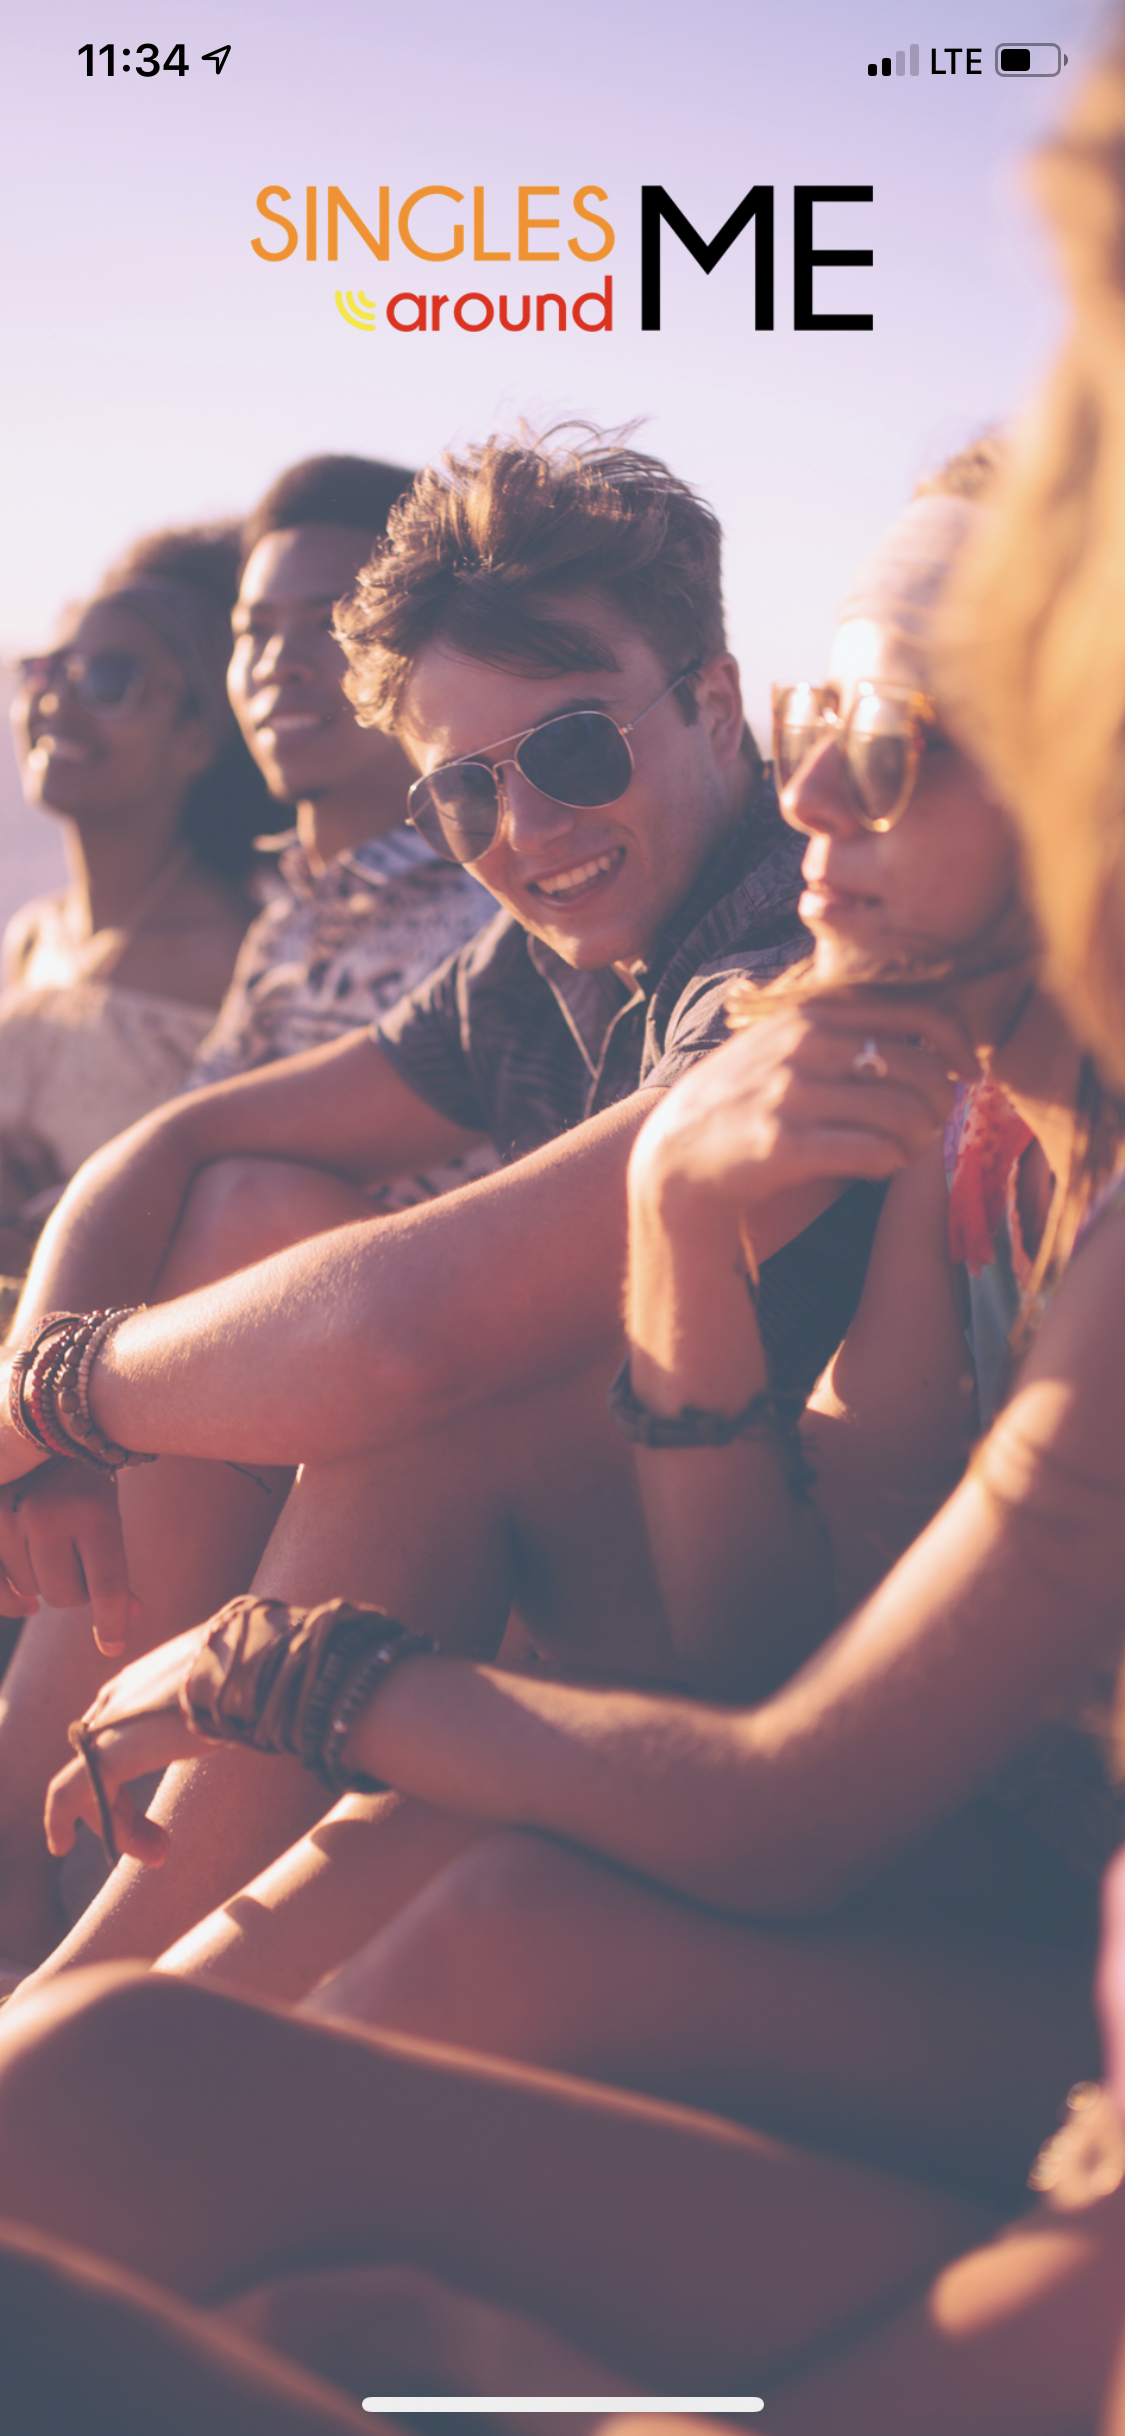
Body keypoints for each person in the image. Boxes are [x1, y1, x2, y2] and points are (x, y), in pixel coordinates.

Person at [0, 429, 871, 1977]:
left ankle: (98, 1993)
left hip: (801, 1644)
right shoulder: (557, 951)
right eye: (464, 795)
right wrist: (50, 1414)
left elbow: (410, 1335)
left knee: (451, 1397)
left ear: (715, 701)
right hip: (602, 1568)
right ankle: (39, 1898)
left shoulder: (779, 948)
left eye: (576, 750)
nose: (525, 832)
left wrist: (53, 1395)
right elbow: (184, 1142)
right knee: (255, 1203)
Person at [189, 452, 499, 1211]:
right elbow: (172, 1153)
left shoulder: (497, 913)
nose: (277, 664)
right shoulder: (284, 922)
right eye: (253, 630)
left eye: (335, 623)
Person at [0, 525, 274, 1298]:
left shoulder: (238, 956)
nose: (55, 700)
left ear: (198, 737)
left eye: (110, 679)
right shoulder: (34, 937)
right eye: (47, 668)